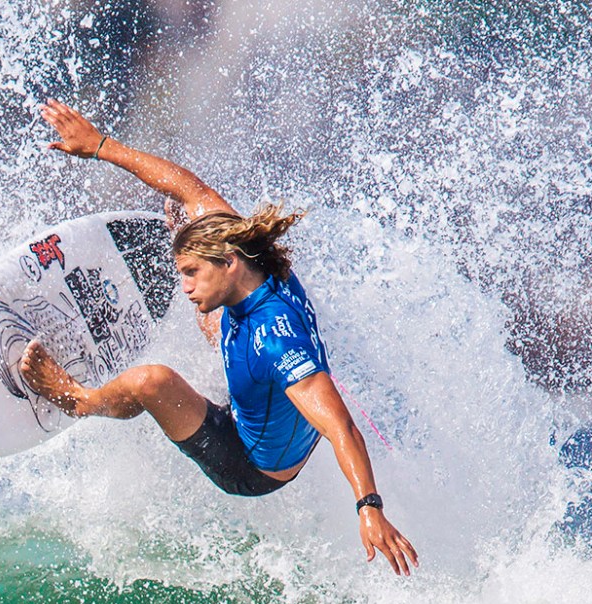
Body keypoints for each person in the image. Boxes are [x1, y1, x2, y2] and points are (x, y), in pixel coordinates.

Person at [21, 100, 419, 576]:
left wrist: (369, 506)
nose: (184, 286)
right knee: (206, 292)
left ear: (228, 263)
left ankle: (78, 400)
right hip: (266, 396)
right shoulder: (251, 254)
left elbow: (340, 427)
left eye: (191, 272)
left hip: (252, 464)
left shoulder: (275, 341)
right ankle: (200, 273)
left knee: (153, 380)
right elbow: (190, 187)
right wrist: (100, 146)